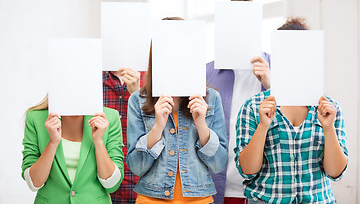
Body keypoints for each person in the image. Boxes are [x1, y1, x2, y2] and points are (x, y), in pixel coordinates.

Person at [234, 18, 348, 203]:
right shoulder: (253, 107)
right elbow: (247, 169)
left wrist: (329, 128)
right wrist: (263, 127)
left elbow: (335, 173)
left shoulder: (330, 110)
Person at [126, 17, 228, 203]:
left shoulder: (211, 98)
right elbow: (136, 166)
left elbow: (219, 164)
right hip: (151, 198)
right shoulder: (137, 100)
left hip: (199, 199)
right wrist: (157, 127)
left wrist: (202, 125)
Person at [207, 0, 271, 204]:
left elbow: (298, 122)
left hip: (265, 189)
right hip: (215, 188)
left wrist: (271, 85)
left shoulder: (277, 68)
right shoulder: (206, 73)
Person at [21, 95, 124, 203]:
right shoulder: (35, 118)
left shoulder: (109, 117)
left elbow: (112, 185)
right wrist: (52, 143)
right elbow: (34, 183)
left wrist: (99, 142)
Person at [103, 68, 146, 204]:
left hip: (143, 184)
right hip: (102, 184)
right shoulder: (92, 81)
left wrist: (137, 94)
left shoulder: (154, 81)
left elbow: (164, 132)